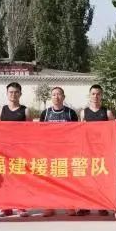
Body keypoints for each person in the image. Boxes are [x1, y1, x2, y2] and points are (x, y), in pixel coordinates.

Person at [39, 87, 79, 217]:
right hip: (49, 153)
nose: (56, 97)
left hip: (66, 153)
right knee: (49, 181)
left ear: (63, 97)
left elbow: (77, 132)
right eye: (54, 94)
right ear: (51, 97)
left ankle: (69, 205)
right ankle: (49, 206)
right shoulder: (45, 113)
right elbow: (39, 133)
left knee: (68, 181)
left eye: (59, 94)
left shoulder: (71, 113)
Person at [0, 82, 32, 218]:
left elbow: (31, 131)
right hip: (4, 151)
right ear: (7, 94)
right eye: (11, 92)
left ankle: (21, 207)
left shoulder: (25, 111)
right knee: (5, 180)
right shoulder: (1, 110)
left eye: (16, 92)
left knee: (20, 179)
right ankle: (6, 207)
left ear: (20, 94)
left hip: (20, 151)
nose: (13, 94)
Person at [80, 84, 115, 217]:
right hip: (87, 151)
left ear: (102, 96)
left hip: (102, 152)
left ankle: (102, 205)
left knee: (101, 179)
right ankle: (85, 205)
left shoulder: (107, 112)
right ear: (90, 95)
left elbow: (113, 131)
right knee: (87, 180)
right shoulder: (83, 112)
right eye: (93, 94)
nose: (96, 96)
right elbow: (79, 131)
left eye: (98, 94)